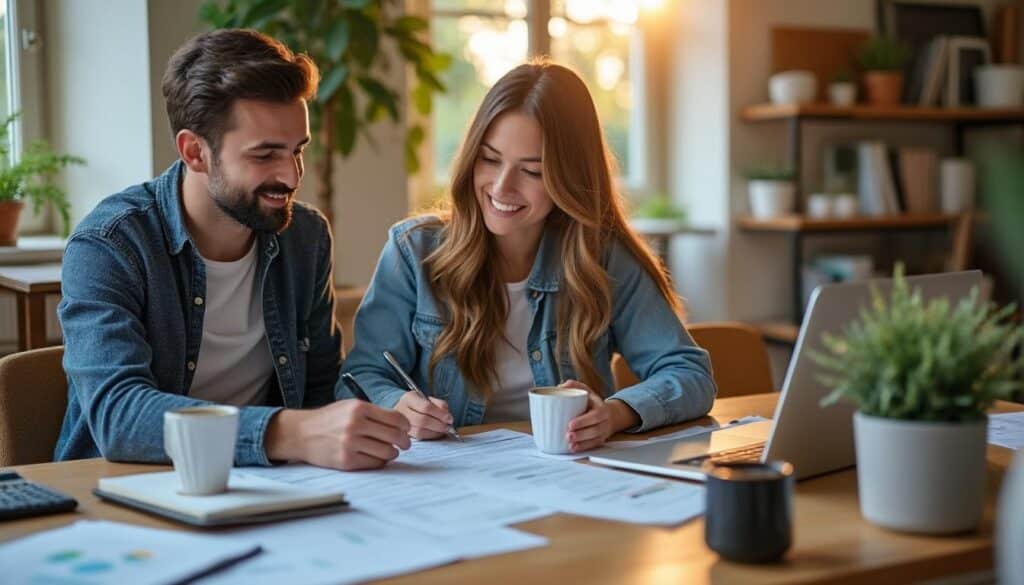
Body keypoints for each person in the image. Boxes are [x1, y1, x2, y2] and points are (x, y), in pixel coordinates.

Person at [55, 29, 410, 470]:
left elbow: (323, 387)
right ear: (195, 152)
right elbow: (119, 417)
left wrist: (389, 406)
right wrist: (286, 432)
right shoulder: (111, 246)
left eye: (297, 150)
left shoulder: (305, 237)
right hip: (124, 490)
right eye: (265, 155)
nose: (292, 176)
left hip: (268, 487)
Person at [339, 61, 716, 453]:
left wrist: (615, 413)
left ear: (571, 179)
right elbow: (361, 374)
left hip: (567, 478)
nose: (502, 187)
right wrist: (397, 404)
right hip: (447, 479)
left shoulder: (601, 257)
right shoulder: (414, 252)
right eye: (490, 159)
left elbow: (689, 373)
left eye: (532, 172)